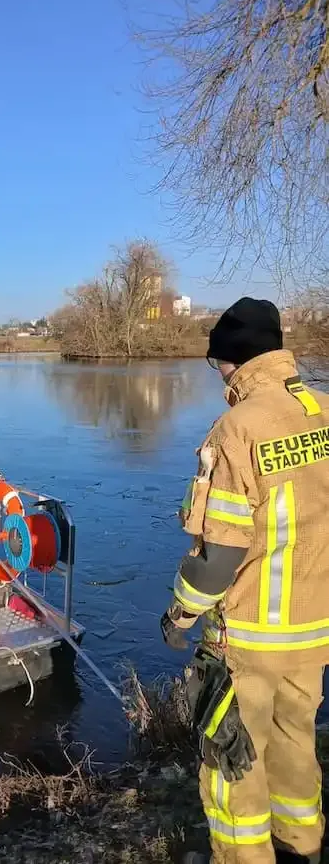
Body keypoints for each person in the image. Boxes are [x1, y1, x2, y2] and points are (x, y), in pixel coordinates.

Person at [160, 298, 329, 864]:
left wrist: (180, 614)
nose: (218, 376)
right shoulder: (323, 412)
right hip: (314, 631)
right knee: (294, 745)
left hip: (249, 638)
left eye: (218, 364)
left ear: (234, 359)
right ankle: (303, 847)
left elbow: (222, 551)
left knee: (232, 764)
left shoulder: (238, 428)